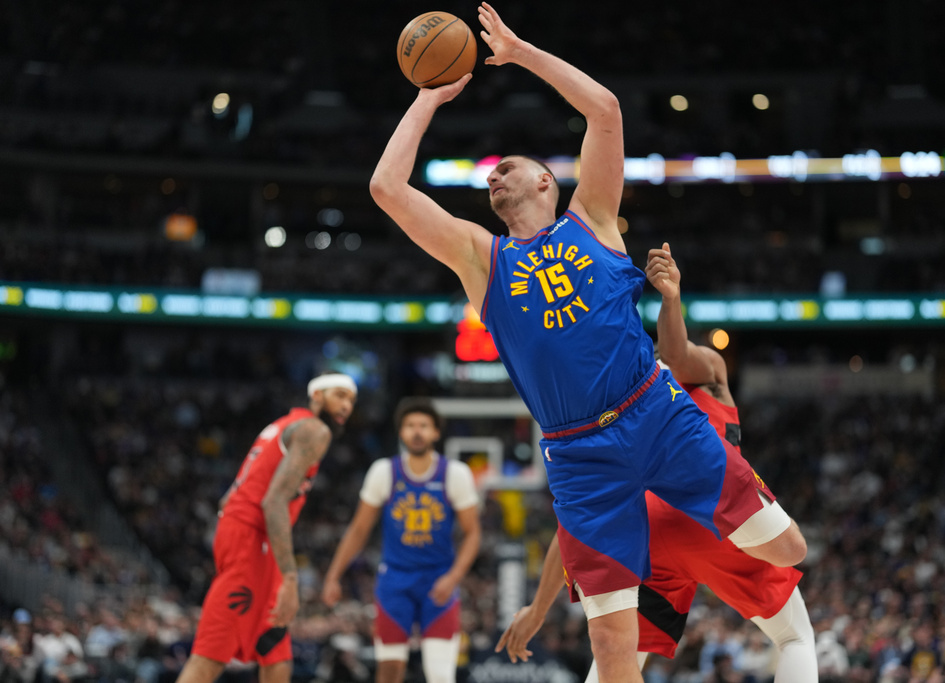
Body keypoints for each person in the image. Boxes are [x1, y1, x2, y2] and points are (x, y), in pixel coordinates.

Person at [369, 4, 805, 680]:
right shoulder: (482, 259)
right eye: (490, 175)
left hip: (657, 414)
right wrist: (428, 98)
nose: (493, 175)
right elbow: (386, 188)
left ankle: (703, 521)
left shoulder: (594, 218)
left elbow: (604, 109)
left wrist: (519, 52)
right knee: (611, 651)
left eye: (506, 166)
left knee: (787, 549)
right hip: (579, 456)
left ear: (548, 178)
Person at [494, 244, 817, 682]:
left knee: (620, 658)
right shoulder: (701, 373)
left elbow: (572, 530)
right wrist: (670, 296)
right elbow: (679, 354)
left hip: (643, 537)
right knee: (795, 636)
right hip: (706, 515)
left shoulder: (606, 402)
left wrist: (538, 608)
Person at [175, 373, 358, 683]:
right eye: (339, 395)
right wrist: (290, 576)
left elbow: (228, 497)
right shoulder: (315, 430)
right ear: (316, 397)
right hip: (252, 540)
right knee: (209, 656)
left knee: (275, 649)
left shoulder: (280, 426)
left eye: (351, 400)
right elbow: (273, 502)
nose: (346, 406)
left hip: (244, 535)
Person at [321, 397, 481, 683]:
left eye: (423, 425)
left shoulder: (455, 474)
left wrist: (454, 577)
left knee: (441, 676)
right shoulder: (384, 472)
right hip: (395, 581)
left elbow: (473, 533)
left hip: (439, 581)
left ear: (435, 432)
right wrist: (333, 575)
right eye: (410, 426)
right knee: (389, 672)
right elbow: (358, 530)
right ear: (401, 432)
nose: (417, 431)